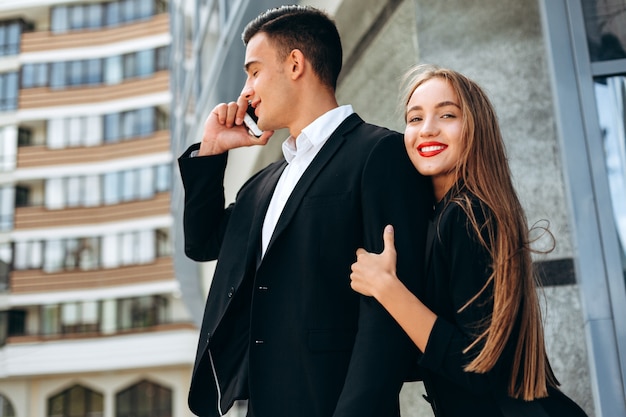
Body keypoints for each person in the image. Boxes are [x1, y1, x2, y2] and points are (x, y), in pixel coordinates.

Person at [177, 5, 432, 417]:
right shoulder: (262, 183)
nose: (245, 91)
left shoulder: (377, 153)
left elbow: (387, 311)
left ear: (295, 63)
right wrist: (211, 150)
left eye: (254, 71)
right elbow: (204, 243)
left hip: (330, 404)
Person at [350, 64, 589, 417]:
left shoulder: (467, 214)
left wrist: (387, 288)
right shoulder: (449, 214)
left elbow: (478, 365)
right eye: (414, 119)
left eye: (447, 115)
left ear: (476, 129)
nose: (427, 129)